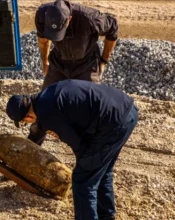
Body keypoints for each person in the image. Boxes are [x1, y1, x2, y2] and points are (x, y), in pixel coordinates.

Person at [5, 79, 139, 220]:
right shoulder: (47, 93)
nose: (28, 123)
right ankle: (106, 216)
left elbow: (78, 145)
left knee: (82, 180)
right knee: (101, 170)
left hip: (112, 123)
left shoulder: (47, 116)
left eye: (25, 123)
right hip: (127, 110)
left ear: (28, 116)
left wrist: (84, 166)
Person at [29, 0, 119, 145]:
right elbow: (43, 40)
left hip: (86, 65)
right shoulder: (42, 15)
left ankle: (91, 154)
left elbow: (113, 27)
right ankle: (33, 145)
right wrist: (45, 62)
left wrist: (103, 61)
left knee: (91, 108)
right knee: (43, 104)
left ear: (69, 19)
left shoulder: (89, 18)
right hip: (58, 64)